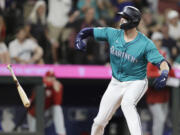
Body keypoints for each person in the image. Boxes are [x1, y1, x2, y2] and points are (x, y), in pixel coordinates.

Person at [75, 6, 170, 135]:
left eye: (125, 18)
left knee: (127, 103)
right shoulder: (113, 34)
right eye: (122, 17)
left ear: (133, 21)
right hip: (116, 82)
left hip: (136, 81)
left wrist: (164, 73)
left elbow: (162, 62)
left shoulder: (145, 43)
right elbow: (88, 31)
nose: (121, 20)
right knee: (99, 121)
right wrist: (80, 38)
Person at [146, 32, 175, 135]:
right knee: (160, 120)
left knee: (161, 121)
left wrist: (168, 68)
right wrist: (159, 73)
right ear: (152, 42)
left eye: (159, 40)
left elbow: (172, 74)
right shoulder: (149, 55)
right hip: (153, 96)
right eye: (156, 40)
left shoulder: (164, 54)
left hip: (164, 96)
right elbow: (147, 73)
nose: (158, 42)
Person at [27, 70, 66, 135]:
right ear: (45, 77)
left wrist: (57, 91)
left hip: (47, 113)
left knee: (57, 108)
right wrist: (52, 83)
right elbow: (42, 81)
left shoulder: (58, 85)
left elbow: (57, 103)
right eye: (49, 77)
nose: (52, 78)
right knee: (33, 132)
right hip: (35, 114)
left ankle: (61, 133)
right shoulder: (41, 83)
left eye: (53, 77)